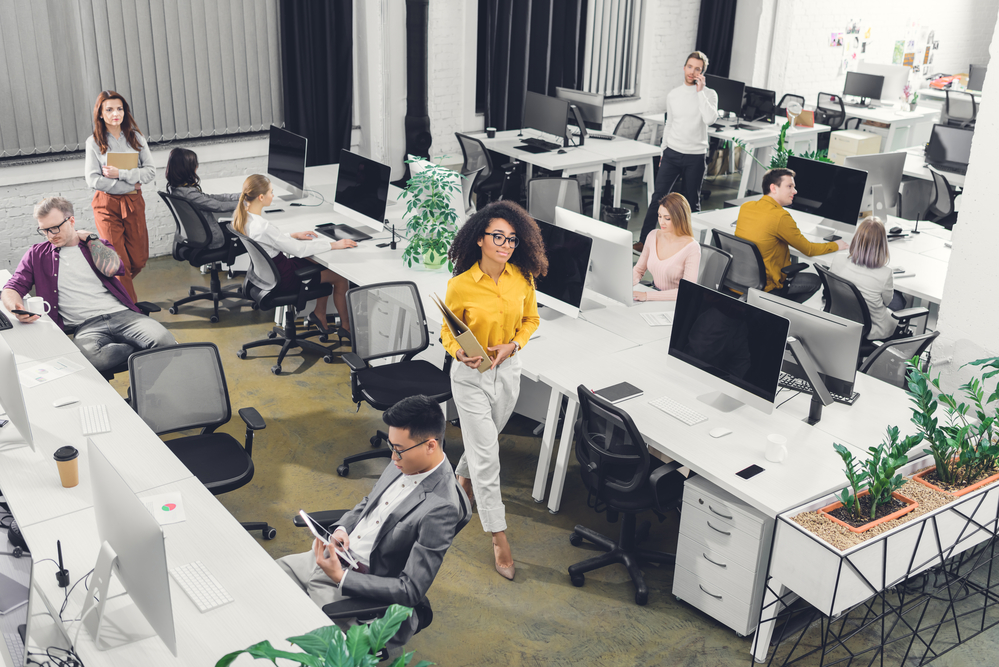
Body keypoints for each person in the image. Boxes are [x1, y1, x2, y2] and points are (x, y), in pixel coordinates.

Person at [277, 395, 463, 658]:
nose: (392, 456)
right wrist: (342, 528)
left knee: (304, 642)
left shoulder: (441, 507)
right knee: (267, 579)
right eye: (391, 445)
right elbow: (369, 503)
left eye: (398, 449)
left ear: (430, 445)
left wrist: (342, 578)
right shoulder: (405, 458)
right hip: (337, 558)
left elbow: (410, 590)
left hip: (357, 585)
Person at [442, 200, 547, 581]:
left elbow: (532, 319)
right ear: (480, 239)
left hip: (508, 373)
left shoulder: (522, 278)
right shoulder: (461, 284)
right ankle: (498, 537)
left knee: (483, 443)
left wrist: (514, 345)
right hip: (471, 377)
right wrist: (458, 351)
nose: (505, 244)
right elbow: (446, 331)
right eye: (497, 237)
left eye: (512, 239)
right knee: (488, 456)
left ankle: (460, 482)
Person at [2, 197, 176, 371]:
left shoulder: (95, 245)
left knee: (165, 341)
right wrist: (15, 309)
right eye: (44, 230)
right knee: (91, 360)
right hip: (85, 325)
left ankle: (140, 391)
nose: (50, 236)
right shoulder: (37, 254)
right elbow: (12, 287)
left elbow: (114, 268)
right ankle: (141, 352)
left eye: (55, 228)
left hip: (123, 315)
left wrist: (92, 239)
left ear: (71, 221)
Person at [232, 174, 356, 335]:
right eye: (271, 192)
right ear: (261, 197)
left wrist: (292, 235)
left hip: (268, 275)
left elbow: (268, 240)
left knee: (317, 264)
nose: (273, 195)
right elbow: (299, 250)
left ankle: (319, 314)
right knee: (339, 277)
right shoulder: (263, 226)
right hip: (284, 278)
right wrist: (333, 244)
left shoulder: (243, 218)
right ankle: (346, 327)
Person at [637, 51, 718, 251]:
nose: (692, 72)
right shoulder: (673, 94)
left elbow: (710, 119)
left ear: (702, 73)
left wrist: (700, 92)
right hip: (672, 153)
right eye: (689, 67)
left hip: (695, 156)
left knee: (692, 201)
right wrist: (663, 150)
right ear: (684, 68)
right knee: (658, 197)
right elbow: (670, 124)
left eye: (697, 69)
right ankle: (644, 240)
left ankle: (692, 245)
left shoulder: (709, 95)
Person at [735, 167, 848, 303]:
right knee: (815, 281)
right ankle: (776, 310)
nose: (795, 191)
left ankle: (770, 308)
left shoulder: (746, 207)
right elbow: (809, 249)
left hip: (739, 279)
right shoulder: (781, 217)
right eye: (789, 186)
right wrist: (836, 245)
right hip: (766, 285)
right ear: (773, 188)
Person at [85, 91, 156, 302]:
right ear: (100, 114)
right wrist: (128, 185)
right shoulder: (94, 142)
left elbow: (150, 171)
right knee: (119, 262)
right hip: (107, 205)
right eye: (109, 110)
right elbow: (93, 180)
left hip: (134, 203)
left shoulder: (136, 138)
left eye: (119, 109)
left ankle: (111, 289)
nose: (116, 113)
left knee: (139, 259)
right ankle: (130, 308)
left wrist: (121, 174)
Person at [829, 216, 908, 340]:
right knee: (899, 299)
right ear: (882, 244)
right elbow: (886, 302)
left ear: (856, 238)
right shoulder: (885, 273)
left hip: (840, 319)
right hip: (871, 330)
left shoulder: (838, 258)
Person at [165, 148, 239, 250]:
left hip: (197, 237)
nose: (197, 166)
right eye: (194, 164)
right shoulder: (189, 194)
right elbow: (219, 206)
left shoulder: (176, 189)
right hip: (212, 240)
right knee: (248, 233)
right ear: (187, 169)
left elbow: (210, 198)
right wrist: (245, 204)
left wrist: (241, 196)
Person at [632, 193, 701, 301]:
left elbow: (686, 291)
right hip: (654, 296)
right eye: (659, 216)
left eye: (667, 218)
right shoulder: (653, 235)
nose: (661, 222)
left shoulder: (692, 248)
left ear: (680, 218)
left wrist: (647, 296)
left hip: (676, 303)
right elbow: (638, 270)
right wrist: (627, 283)